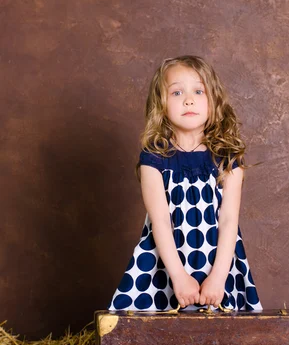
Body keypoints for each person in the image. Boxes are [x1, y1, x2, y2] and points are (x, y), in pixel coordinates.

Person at [108, 55, 262, 313]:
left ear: (213, 100)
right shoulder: (154, 158)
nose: (188, 99)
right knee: (151, 337)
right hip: (166, 263)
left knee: (223, 338)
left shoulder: (227, 157)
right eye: (177, 92)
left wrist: (218, 277)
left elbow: (228, 221)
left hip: (218, 263)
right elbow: (160, 222)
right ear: (161, 104)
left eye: (198, 91)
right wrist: (178, 277)